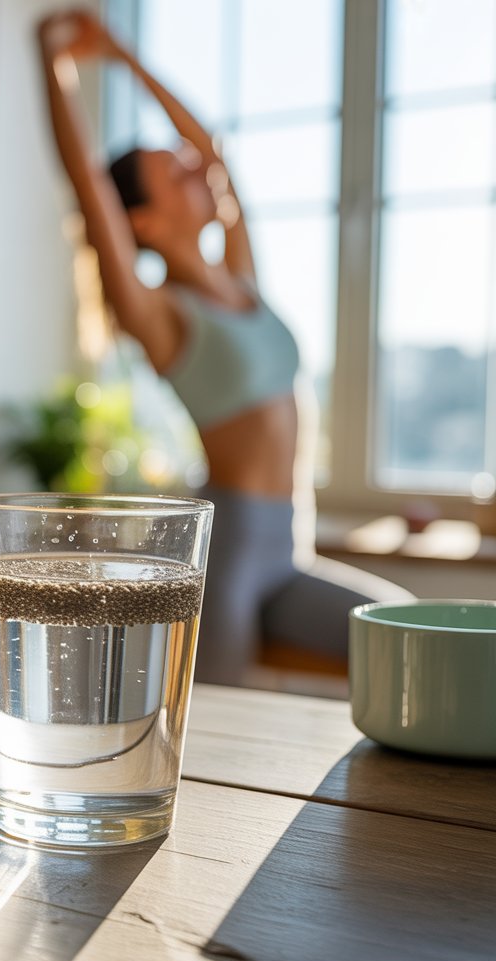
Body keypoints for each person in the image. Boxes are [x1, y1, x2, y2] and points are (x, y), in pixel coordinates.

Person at [37, 9, 410, 686]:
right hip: (227, 553)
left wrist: (124, 56)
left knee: (410, 638)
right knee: (218, 732)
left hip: (288, 548)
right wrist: (52, 59)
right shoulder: (158, 313)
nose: (194, 171)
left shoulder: (240, 278)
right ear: (142, 224)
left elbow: (212, 151)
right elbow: (88, 184)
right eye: (172, 175)